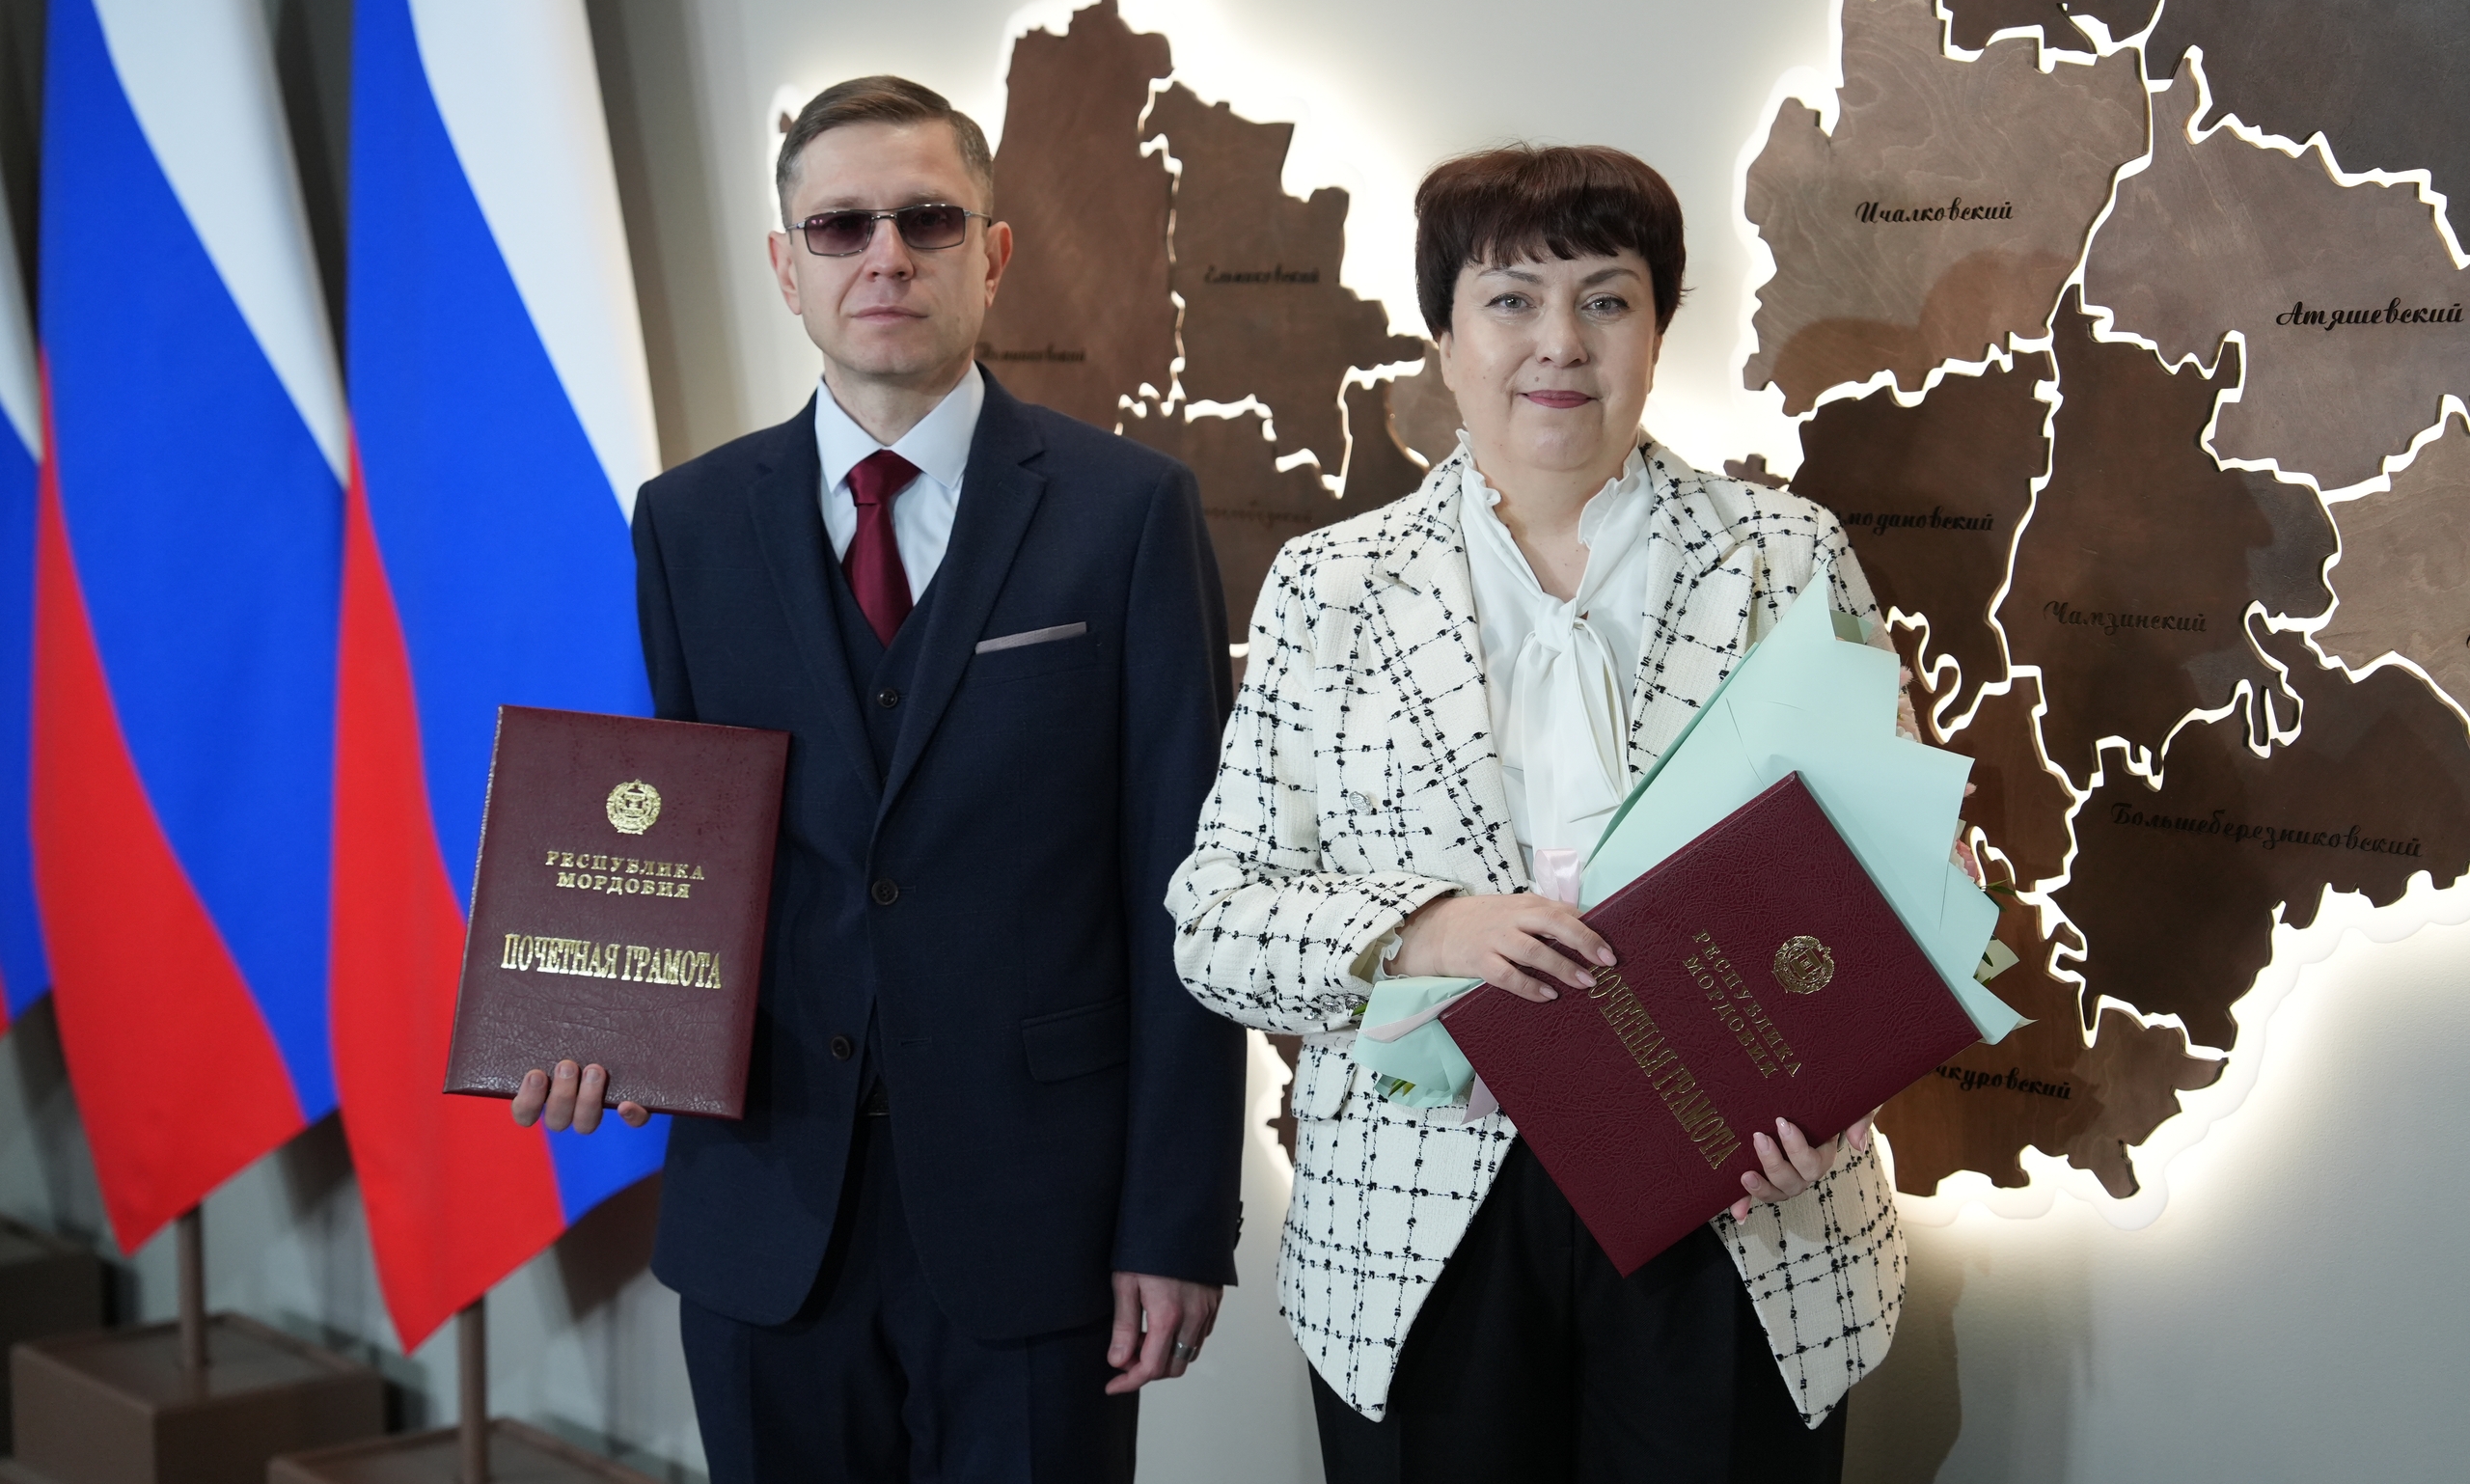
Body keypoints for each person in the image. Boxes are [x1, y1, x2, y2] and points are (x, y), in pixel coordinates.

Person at [512, 75, 1248, 1482]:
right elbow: (675, 848)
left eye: (928, 220)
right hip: (766, 1206)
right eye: (842, 227)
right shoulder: (686, 523)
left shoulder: (1128, 513)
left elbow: (1184, 886)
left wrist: (1176, 1219)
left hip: (1045, 1220)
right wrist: (604, 1022)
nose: (887, 257)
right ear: (787, 266)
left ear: (994, 252)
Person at [1167, 145, 1905, 1481]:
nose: (1560, 341)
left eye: (1606, 298)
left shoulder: (1786, 555)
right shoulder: (1331, 585)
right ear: (1445, 340)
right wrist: (1427, 929)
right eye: (1510, 299)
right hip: (1422, 1219)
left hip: (1737, 1194)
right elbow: (1216, 923)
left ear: (1658, 332)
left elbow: (1901, 876)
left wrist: (1834, 1086)